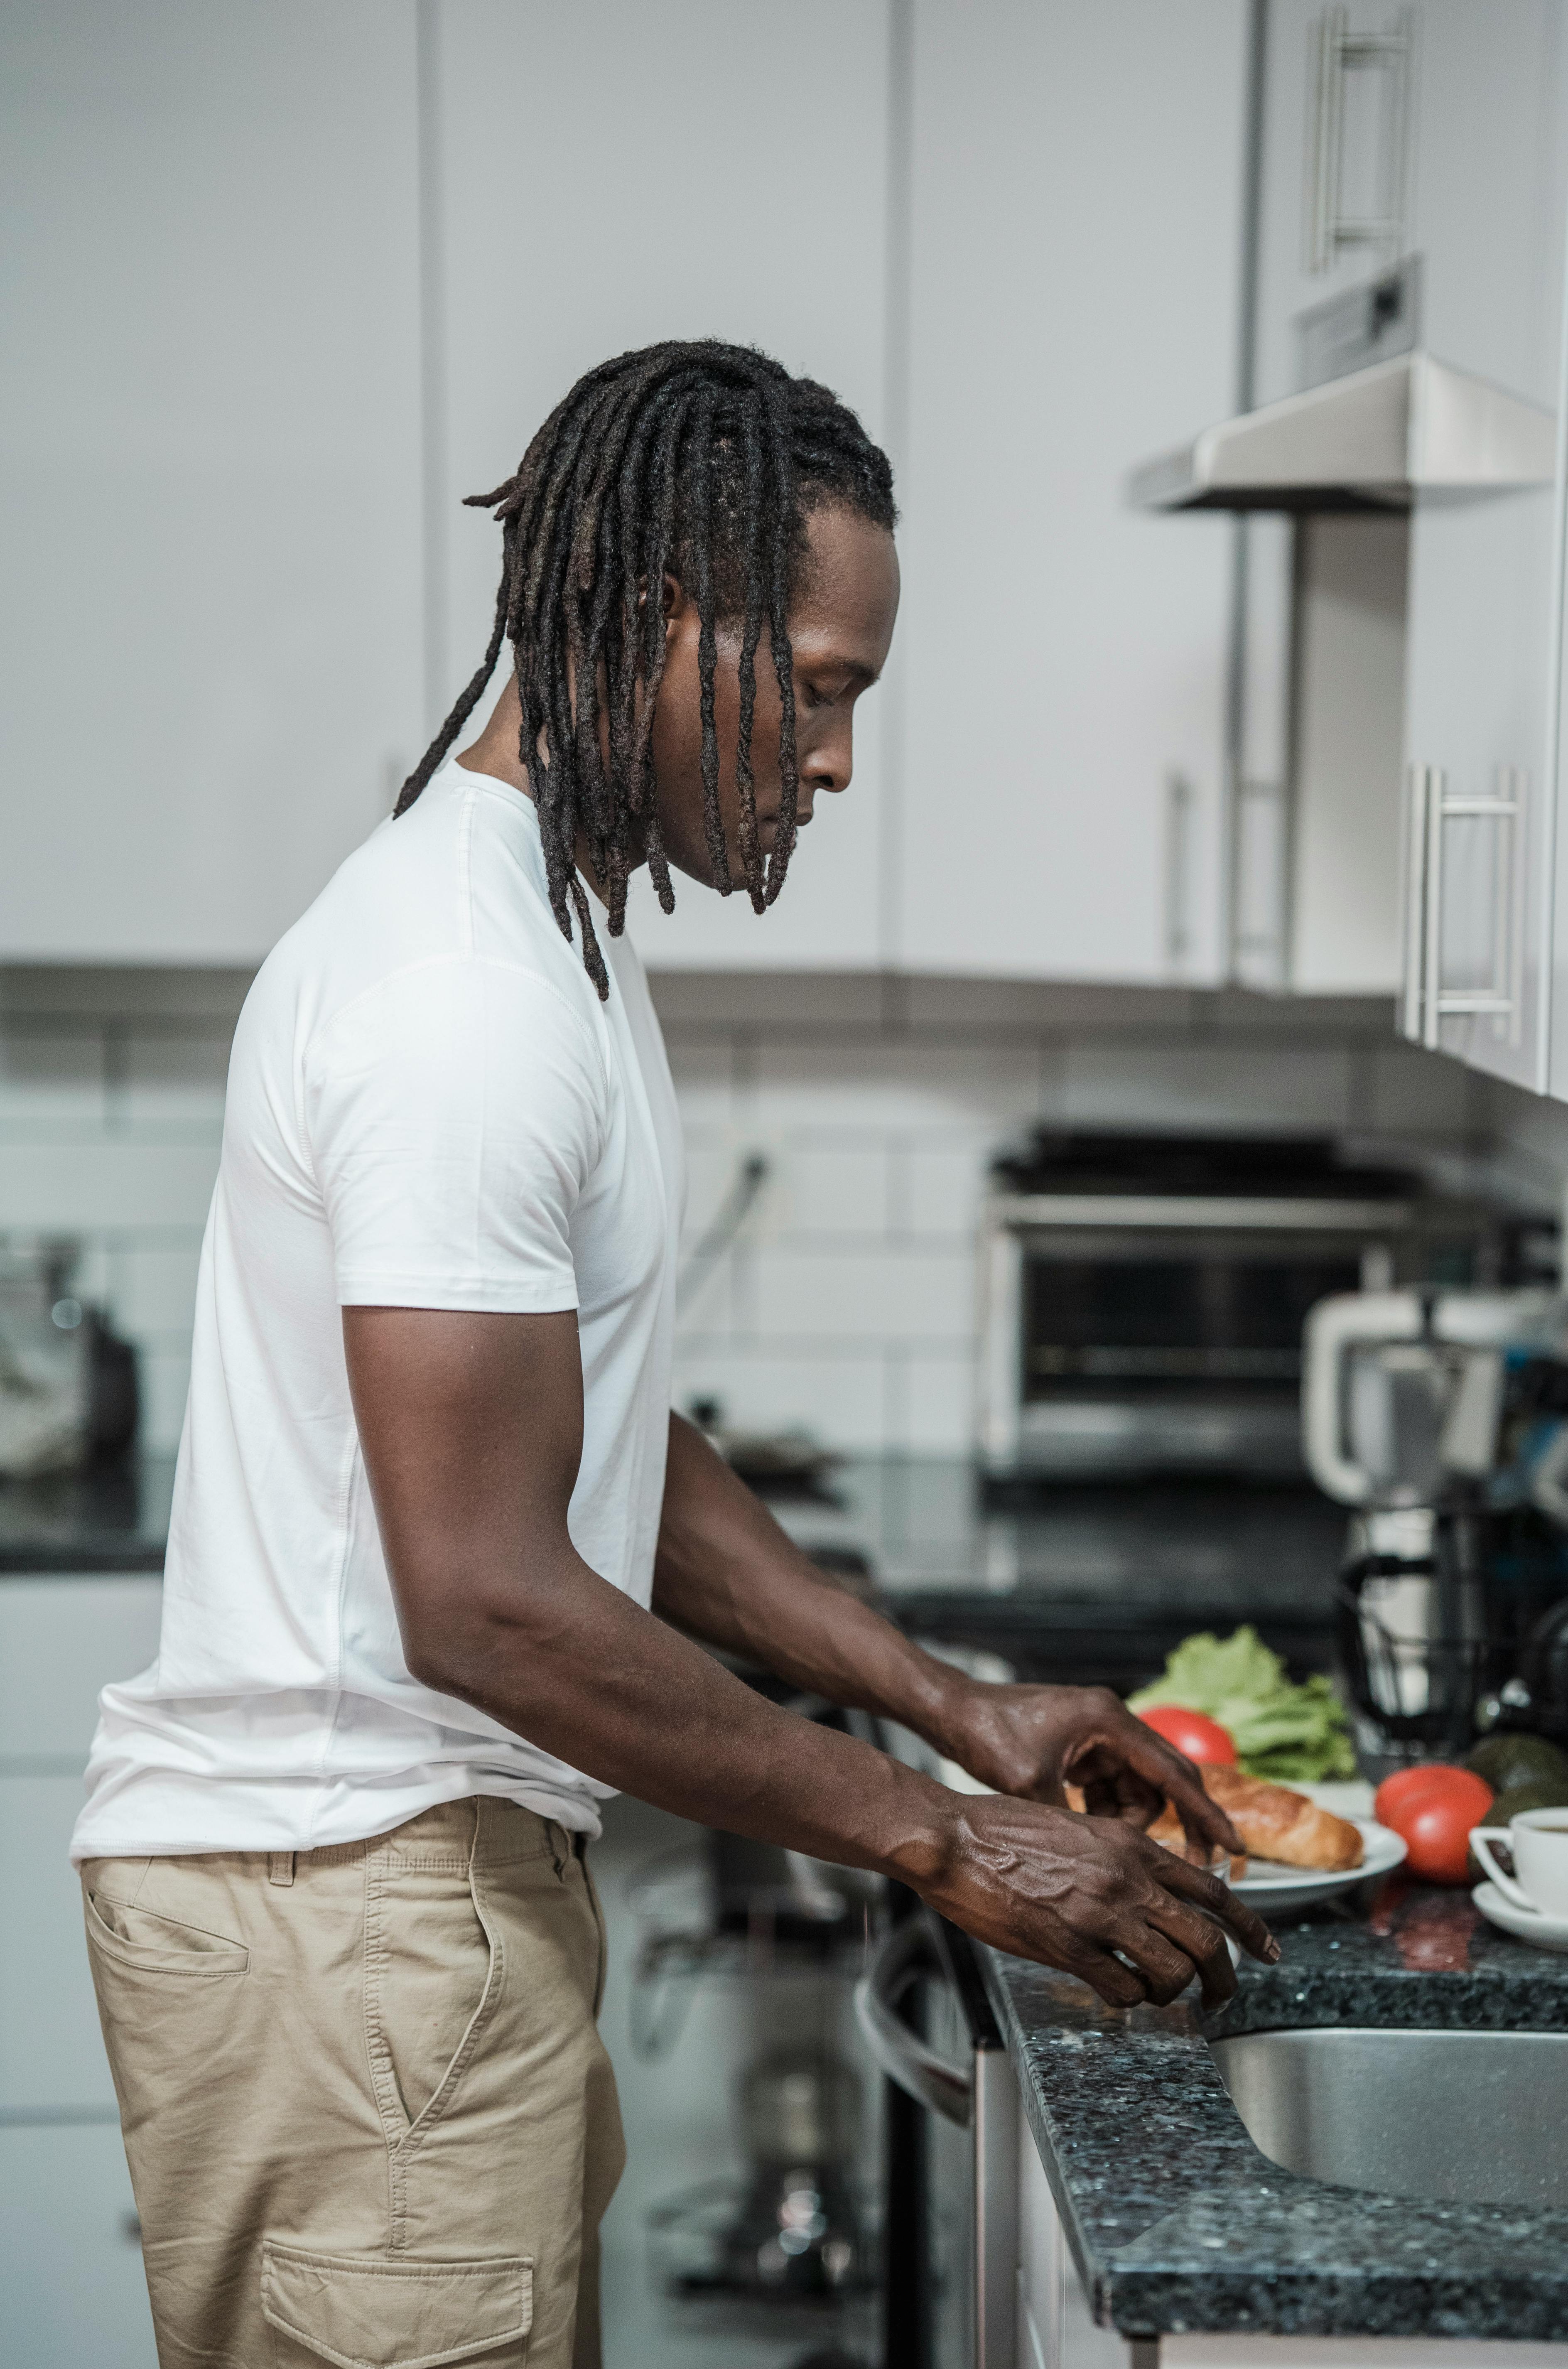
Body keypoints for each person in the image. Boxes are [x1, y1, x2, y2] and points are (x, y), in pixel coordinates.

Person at [73, 339, 1273, 2369]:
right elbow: (491, 1598)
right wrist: (943, 1835)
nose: (833, 763)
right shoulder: (465, 999)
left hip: (397, 1913)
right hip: (357, 1914)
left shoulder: (546, 935)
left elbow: (597, 1446)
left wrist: (942, 1701)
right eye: (819, 684)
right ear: (657, 621)